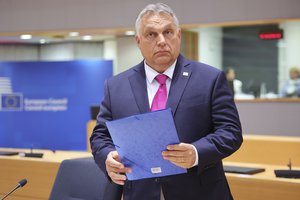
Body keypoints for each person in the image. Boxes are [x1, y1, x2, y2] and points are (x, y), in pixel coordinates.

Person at [90, 3, 242, 200]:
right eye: (151, 34)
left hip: (199, 192)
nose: (161, 41)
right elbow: (100, 137)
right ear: (138, 41)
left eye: (168, 32)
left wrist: (196, 153)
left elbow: (231, 132)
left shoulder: (209, 79)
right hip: (140, 193)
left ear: (178, 36)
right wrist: (107, 158)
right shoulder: (116, 86)